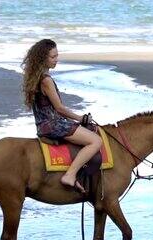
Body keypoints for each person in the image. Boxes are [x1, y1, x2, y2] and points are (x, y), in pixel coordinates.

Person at [22, 39, 102, 193]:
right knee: (95, 141)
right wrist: (81, 118)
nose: (56, 60)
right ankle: (70, 175)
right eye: (53, 57)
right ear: (42, 59)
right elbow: (59, 108)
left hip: (45, 125)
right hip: (53, 125)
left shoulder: (36, 78)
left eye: (57, 56)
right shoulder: (46, 81)